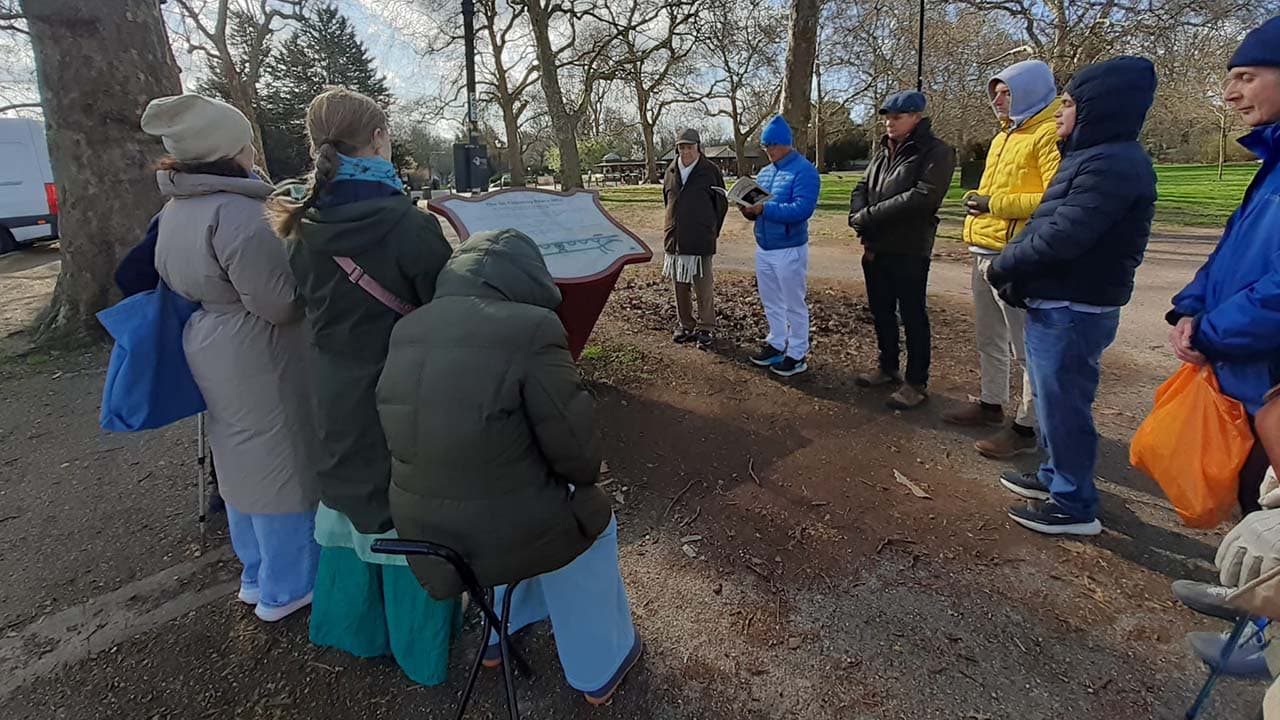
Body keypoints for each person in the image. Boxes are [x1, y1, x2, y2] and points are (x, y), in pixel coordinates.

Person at [378, 229, 642, 705]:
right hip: (503, 532)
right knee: (589, 524)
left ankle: (500, 634)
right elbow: (578, 455)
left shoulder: (408, 329)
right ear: (526, 277)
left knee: (501, 500)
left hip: (426, 533)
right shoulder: (532, 329)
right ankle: (599, 667)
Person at [266, 88, 457, 686]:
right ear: (378, 141)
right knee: (407, 507)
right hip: (404, 391)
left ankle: (356, 628)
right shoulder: (410, 225)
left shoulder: (298, 225)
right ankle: (418, 644)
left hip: (335, 391)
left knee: (352, 503)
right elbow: (444, 311)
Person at [142, 93, 319, 622]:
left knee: (238, 459)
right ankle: (288, 585)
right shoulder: (238, 212)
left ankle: (254, 572)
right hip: (257, 350)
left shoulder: (176, 208)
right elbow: (278, 303)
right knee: (279, 461)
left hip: (209, 339)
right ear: (227, 149)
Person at [987, 56, 1158, 536]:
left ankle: (1074, 505)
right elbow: (1047, 221)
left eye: (1068, 104)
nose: (1060, 112)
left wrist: (1005, 264)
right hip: (1056, 301)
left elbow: (1063, 234)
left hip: (1074, 306)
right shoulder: (1090, 157)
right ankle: (1051, 476)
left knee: (1065, 406)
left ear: (1096, 109)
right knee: (1050, 398)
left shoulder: (1113, 164)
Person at [1166, 15, 1280, 514]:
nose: (1230, 94)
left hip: (1269, 378)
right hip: (1246, 377)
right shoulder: (1272, 165)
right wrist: (1189, 310)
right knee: (1254, 506)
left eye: (1247, 77)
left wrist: (1211, 332)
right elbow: (1231, 250)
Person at [945, 61, 1061, 456]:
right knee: (988, 336)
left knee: (1024, 346)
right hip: (983, 250)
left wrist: (993, 203)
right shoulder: (1003, 136)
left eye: (1006, 92)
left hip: (1016, 256)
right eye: (994, 91)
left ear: (1030, 91)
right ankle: (991, 403)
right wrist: (978, 201)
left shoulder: (1047, 135)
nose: (997, 99)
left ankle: (1026, 428)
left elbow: (1055, 197)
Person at [849, 91, 956, 410]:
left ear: (916, 117)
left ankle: (916, 382)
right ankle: (887, 366)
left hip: (909, 247)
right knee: (881, 310)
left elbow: (923, 197)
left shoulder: (936, 152)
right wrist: (858, 214)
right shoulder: (882, 151)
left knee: (912, 314)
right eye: (887, 117)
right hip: (876, 246)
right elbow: (861, 187)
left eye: (897, 117)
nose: (889, 123)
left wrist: (868, 215)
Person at [744, 115, 821, 377]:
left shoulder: (804, 170)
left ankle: (797, 352)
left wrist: (764, 208)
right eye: (766, 147)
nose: (769, 151)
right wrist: (748, 210)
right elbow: (756, 206)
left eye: (773, 146)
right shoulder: (765, 172)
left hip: (789, 246)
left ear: (786, 144)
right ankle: (777, 341)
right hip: (764, 245)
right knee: (771, 300)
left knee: (793, 302)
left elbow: (802, 209)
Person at [662, 128, 728, 347]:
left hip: (701, 239)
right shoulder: (671, 170)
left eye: (689, 147)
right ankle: (685, 324)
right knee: (680, 285)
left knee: (703, 286)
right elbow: (667, 201)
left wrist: (711, 230)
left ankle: (706, 327)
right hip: (676, 239)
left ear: (698, 147)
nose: (685, 152)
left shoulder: (710, 170)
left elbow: (721, 205)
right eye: (681, 147)